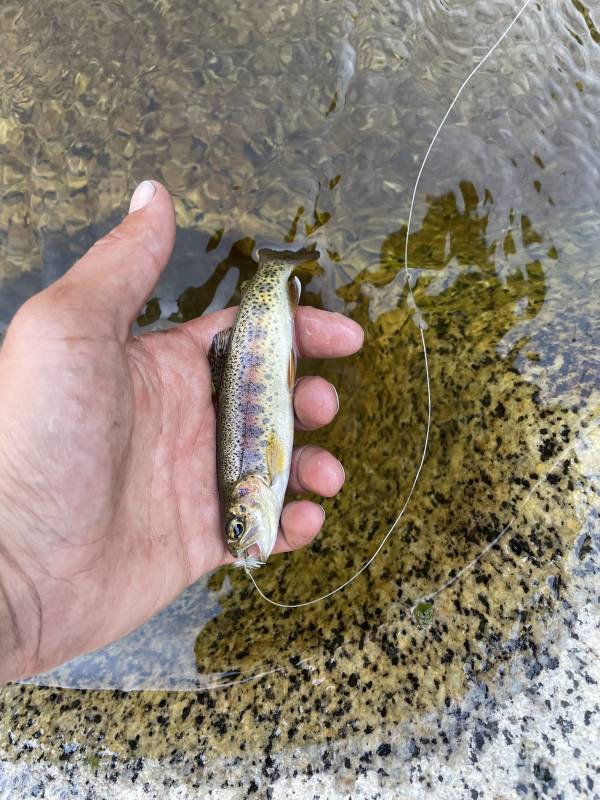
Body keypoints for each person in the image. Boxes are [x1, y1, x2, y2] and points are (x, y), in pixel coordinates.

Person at [0, 181, 363, 683]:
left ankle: (275, 270)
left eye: (238, 529)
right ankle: (279, 267)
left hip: (253, 351)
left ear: (246, 498)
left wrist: (18, 567)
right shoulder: (251, 488)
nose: (243, 543)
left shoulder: (253, 480)